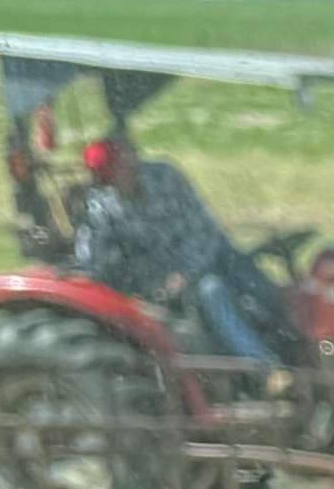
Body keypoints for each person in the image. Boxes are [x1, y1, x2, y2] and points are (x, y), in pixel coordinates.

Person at [67, 131, 291, 366]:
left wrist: (186, 274)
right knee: (212, 290)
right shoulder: (103, 203)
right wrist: (83, 269)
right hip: (167, 278)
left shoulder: (166, 177)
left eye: (120, 168)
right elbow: (92, 247)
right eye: (107, 178)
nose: (117, 180)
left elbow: (205, 230)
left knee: (251, 281)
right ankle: (264, 367)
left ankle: (295, 343)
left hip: (208, 256)